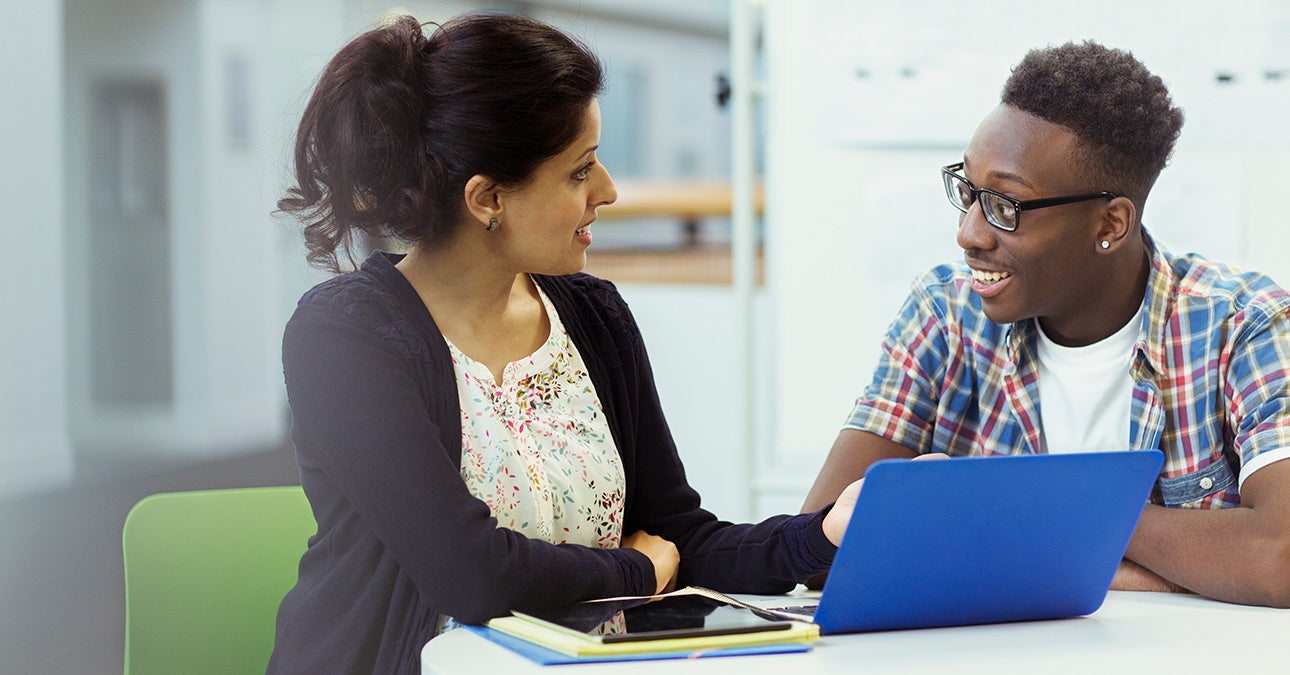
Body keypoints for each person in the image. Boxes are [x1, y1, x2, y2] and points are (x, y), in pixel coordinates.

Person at [267, 13, 862, 674]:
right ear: (488, 198)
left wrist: (825, 530)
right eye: (580, 171)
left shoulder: (594, 317)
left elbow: (681, 539)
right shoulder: (346, 338)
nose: (607, 192)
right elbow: (471, 573)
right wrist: (637, 569)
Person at [802, 41, 1290, 607]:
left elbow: (1279, 556)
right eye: (968, 192)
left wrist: (1052, 515)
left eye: (1007, 206)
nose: (970, 234)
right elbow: (820, 548)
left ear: (1110, 223)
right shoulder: (944, 312)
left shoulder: (1245, 325)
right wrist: (1128, 560)